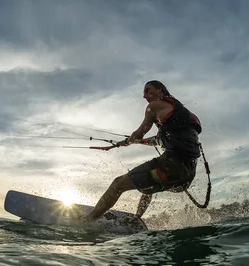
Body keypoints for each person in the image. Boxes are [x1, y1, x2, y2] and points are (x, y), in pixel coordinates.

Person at [81, 80, 203, 222]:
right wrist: (134, 142)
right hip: (186, 176)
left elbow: (139, 134)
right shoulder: (181, 114)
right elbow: (157, 140)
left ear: (160, 90)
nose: (145, 96)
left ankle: (86, 222)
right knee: (147, 185)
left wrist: (129, 141)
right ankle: (137, 218)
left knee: (118, 184)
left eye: (148, 90)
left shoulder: (153, 107)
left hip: (171, 167)